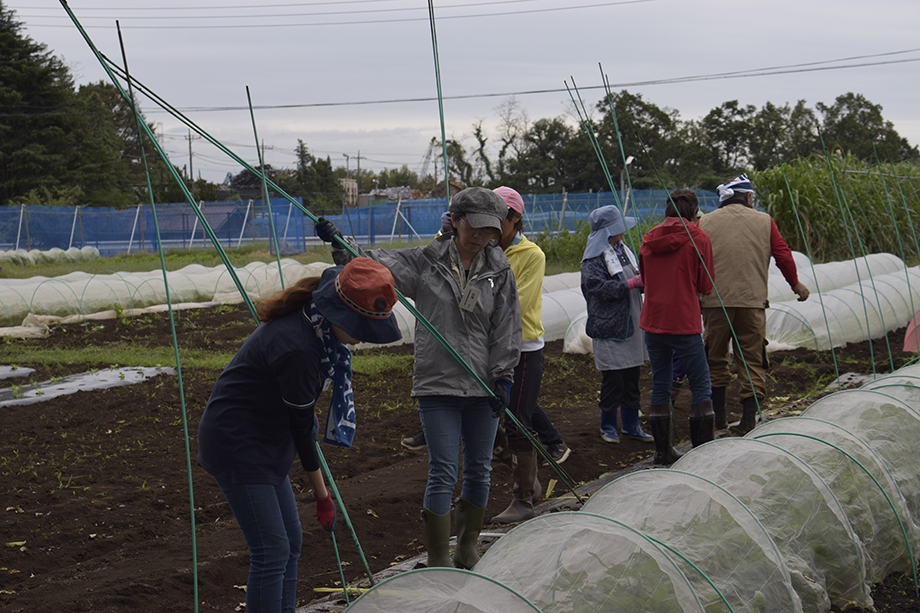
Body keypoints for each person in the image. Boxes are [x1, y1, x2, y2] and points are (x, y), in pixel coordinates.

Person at [316, 186, 522, 569]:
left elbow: (507, 327)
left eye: (489, 230)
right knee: (443, 469)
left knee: (480, 468)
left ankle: (467, 546)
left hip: (483, 386)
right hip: (437, 383)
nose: (480, 237)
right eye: (473, 227)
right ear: (457, 221)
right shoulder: (427, 262)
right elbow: (376, 266)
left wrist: (503, 378)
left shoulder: (498, 269)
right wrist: (341, 245)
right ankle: (439, 556)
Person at [197, 258, 402, 613]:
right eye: (360, 329)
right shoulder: (301, 350)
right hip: (238, 444)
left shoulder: (317, 327)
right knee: (271, 550)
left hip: (268, 437)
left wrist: (302, 409)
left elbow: (299, 418)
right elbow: (302, 430)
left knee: (290, 542)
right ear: (340, 314)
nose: (360, 339)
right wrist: (322, 495)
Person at [698, 174, 809, 434]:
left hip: (715, 304)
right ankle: (748, 420)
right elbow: (783, 255)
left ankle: (719, 418)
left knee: (714, 358)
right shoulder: (764, 221)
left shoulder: (704, 222)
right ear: (748, 197)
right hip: (752, 302)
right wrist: (796, 285)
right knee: (751, 359)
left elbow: (694, 259)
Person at [490, 186, 569, 524]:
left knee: (518, 420)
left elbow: (515, 303)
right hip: (489, 348)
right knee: (492, 414)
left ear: (514, 219)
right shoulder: (485, 250)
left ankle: (523, 499)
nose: (489, 226)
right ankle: (531, 481)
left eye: (496, 218)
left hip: (522, 349)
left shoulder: (532, 255)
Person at [639, 189, 715, 464]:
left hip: (653, 321)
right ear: (693, 212)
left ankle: (662, 451)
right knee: (701, 383)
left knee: (661, 382)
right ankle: (704, 454)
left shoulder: (648, 239)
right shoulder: (698, 238)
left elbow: (645, 280)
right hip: (684, 320)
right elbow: (706, 285)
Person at [580, 205, 654, 447]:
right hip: (610, 327)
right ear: (609, 232)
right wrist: (630, 284)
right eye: (619, 229)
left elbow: (634, 278)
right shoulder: (594, 259)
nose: (623, 233)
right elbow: (596, 290)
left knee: (632, 377)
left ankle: (632, 425)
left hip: (632, 323)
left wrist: (642, 282)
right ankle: (608, 425)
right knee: (613, 380)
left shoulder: (623, 251)